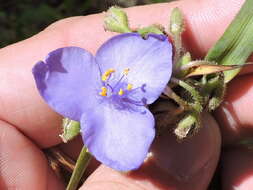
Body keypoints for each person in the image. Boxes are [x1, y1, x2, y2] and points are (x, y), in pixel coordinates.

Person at [0, 0, 252, 189]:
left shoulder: (142, 58)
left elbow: (151, 50)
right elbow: (126, 153)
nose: (113, 91)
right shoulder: (67, 81)